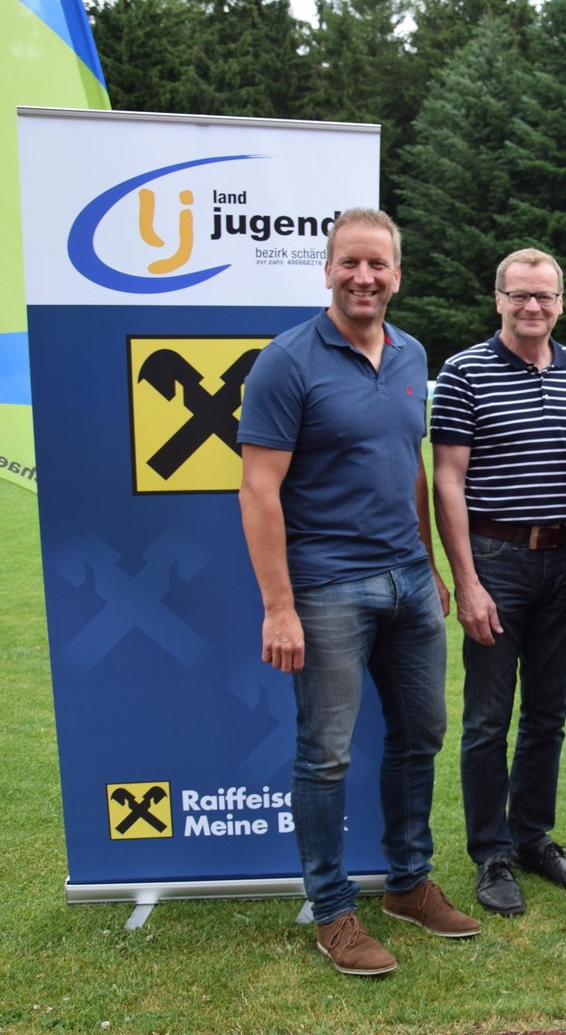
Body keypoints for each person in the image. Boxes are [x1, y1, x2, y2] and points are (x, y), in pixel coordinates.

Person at [237, 207, 480, 977]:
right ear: (327, 269)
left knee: (421, 734)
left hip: (409, 582)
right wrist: (279, 606)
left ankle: (408, 883)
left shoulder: (411, 352)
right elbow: (257, 489)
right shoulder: (286, 362)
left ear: (397, 275)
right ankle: (333, 911)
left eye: (378, 264)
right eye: (350, 262)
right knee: (326, 755)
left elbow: (410, 467)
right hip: (326, 588)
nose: (363, 277)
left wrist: (430, 564)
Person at [431, 248, 566, 916]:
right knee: (487, 718)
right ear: (498, 298)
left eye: (544, 295)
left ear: (560, 302)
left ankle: (532, 838)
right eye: (520, 295)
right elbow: (448, 479)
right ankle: (491, 852)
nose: (533, 306)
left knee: (549, 713)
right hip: (495, 558)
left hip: (563, 557)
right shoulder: (463, 371)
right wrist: (466, 581)